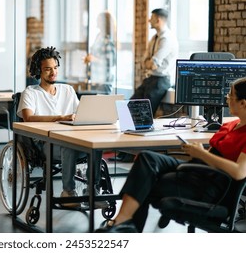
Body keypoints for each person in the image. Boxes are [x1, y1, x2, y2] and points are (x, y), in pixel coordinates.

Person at [96, 77, 246, 233]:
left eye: (231, 95)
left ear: (243, 103)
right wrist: (199, 153)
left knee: (145, 179)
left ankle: (122, 224)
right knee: (146, 158)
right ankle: (124, 222)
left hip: (211, 184)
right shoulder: (231, 124)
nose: (227, 97)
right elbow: (214, 154)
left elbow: (239, 172)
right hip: (200, 169)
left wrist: (202, 154)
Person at [17, 46, 108, 208]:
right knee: (69, 145)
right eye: (47, 69)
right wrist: (61, 118)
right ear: (38, 71)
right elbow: (28, 118)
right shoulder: (30, 93)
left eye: (55, 68)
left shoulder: (67, 90)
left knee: (96, 144)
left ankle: (91, 191)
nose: (53, 72)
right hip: (44, 144)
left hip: (69, 140)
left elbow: (81, 114)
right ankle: (68, 192)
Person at [130, 8, 178, 116]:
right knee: (130, 107)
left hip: (161, 81)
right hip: (150, 78)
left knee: (145, 114)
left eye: (151, 18)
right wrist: (148, 63)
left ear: (158, 20)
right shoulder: (154, 38)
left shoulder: (167, 39)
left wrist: (149, 63)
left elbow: (153, 64)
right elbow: (144, 62)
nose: (148, 20)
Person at [83, 11, 117, 94]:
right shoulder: (99, 36)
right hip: (95, 79)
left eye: (99, 20)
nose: (96, 22)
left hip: (104, 81)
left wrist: (94, 59)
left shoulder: (108, 39)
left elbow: (110, 62)